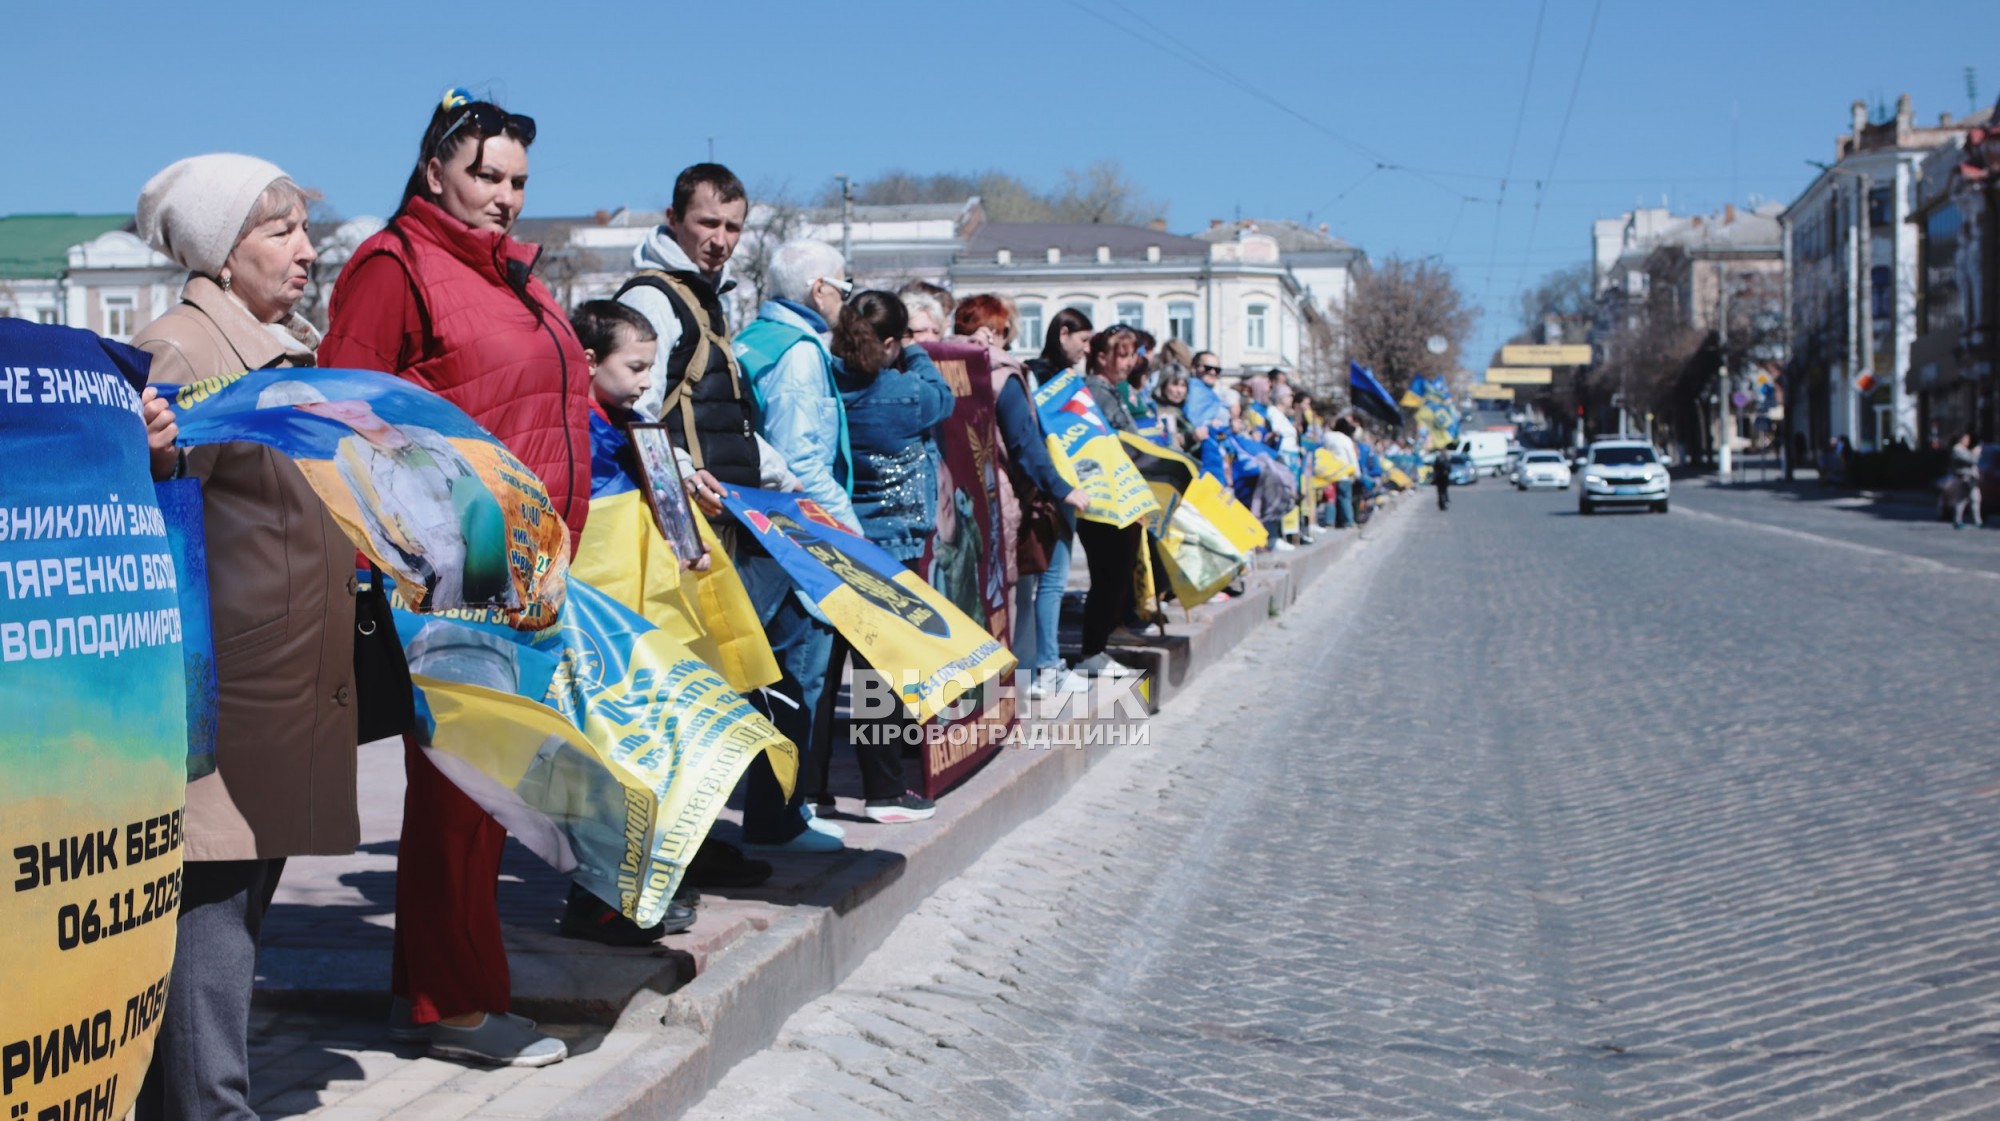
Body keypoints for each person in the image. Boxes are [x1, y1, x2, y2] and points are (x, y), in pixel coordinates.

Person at [320, 90, 579, 1068]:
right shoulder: (396, 265)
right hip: (454, 566)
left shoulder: (511, 277)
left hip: (523, 567)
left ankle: (446, 989)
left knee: (489, 795)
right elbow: (348, 413)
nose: (505, 195)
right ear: (435, 170)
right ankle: (450, 1003)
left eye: (517, 179)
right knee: (459, 795)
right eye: (486, 175)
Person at [129, 154, 361, 1119]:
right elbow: (143, 518)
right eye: (280, 231)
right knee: (208, 924)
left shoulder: (283, 352)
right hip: (224, 692)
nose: (307, 250)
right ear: (223, 253)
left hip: (285, 681)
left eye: (304, 230)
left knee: (236, 917)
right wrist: (150, 450)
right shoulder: (179, 350)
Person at [617, 164, 836, 856]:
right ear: (676, 217)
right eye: (708, 223)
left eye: (733, 226)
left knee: (783, 649)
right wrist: (683, 476)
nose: (721, 239)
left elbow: (729, 417)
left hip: (739, 518)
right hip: (691, 528)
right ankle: (703, 835)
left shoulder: (706, 298)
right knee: (711, 677)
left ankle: (768, 815)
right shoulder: (655, 297)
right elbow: (635, 406)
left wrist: (783, 482)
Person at [833, 291, 954, 821]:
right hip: (893, 542)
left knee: (831, 670)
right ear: (890, 342)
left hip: (837, 537)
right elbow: (942, 397)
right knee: (880, 669)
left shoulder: (829, 384)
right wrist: (914, 348)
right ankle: (884, 791)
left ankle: (814, 787)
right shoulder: (904, 391)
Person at [955, 296, 1089, 695]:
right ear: (996, 331)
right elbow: (1025, 444)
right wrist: (1063, 489)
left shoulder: (936, 364)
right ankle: (1023, 677)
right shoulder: (1001, 373)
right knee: (1016, 591)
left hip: (955, 495)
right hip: (1002, 493)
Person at [1074, 326, 1143, 677]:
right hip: (1105, 500)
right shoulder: (1098, 391)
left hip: (1117, 496)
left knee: (1114, 575)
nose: (1131, 362)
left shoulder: (1112, 390)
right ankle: (1092, 650)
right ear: (1102, 356)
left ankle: (1097, 647)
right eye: (1124, 354)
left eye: (1132, 354)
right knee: (1109, 575)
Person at [1950, 432, 1983, 530]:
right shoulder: (1957, 449)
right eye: (1966, 439)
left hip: (1971, 477)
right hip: (1965, 477)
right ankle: (1974, 521)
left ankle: (1962, 520)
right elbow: (1971, 460)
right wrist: (1976, 453)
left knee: (1968, 499)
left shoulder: (1963, 449)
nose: (1967, 441)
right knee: (1969, 498)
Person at [1432, 446, 1453, 511]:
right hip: (1443, 478)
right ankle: (1443, 503)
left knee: (1441, 491)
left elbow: (1435, 467)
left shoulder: (1440, 458)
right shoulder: (1445, 458)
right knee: (1443, 491)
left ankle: (1442, 503)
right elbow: (1449, 468)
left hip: (1440, 477)